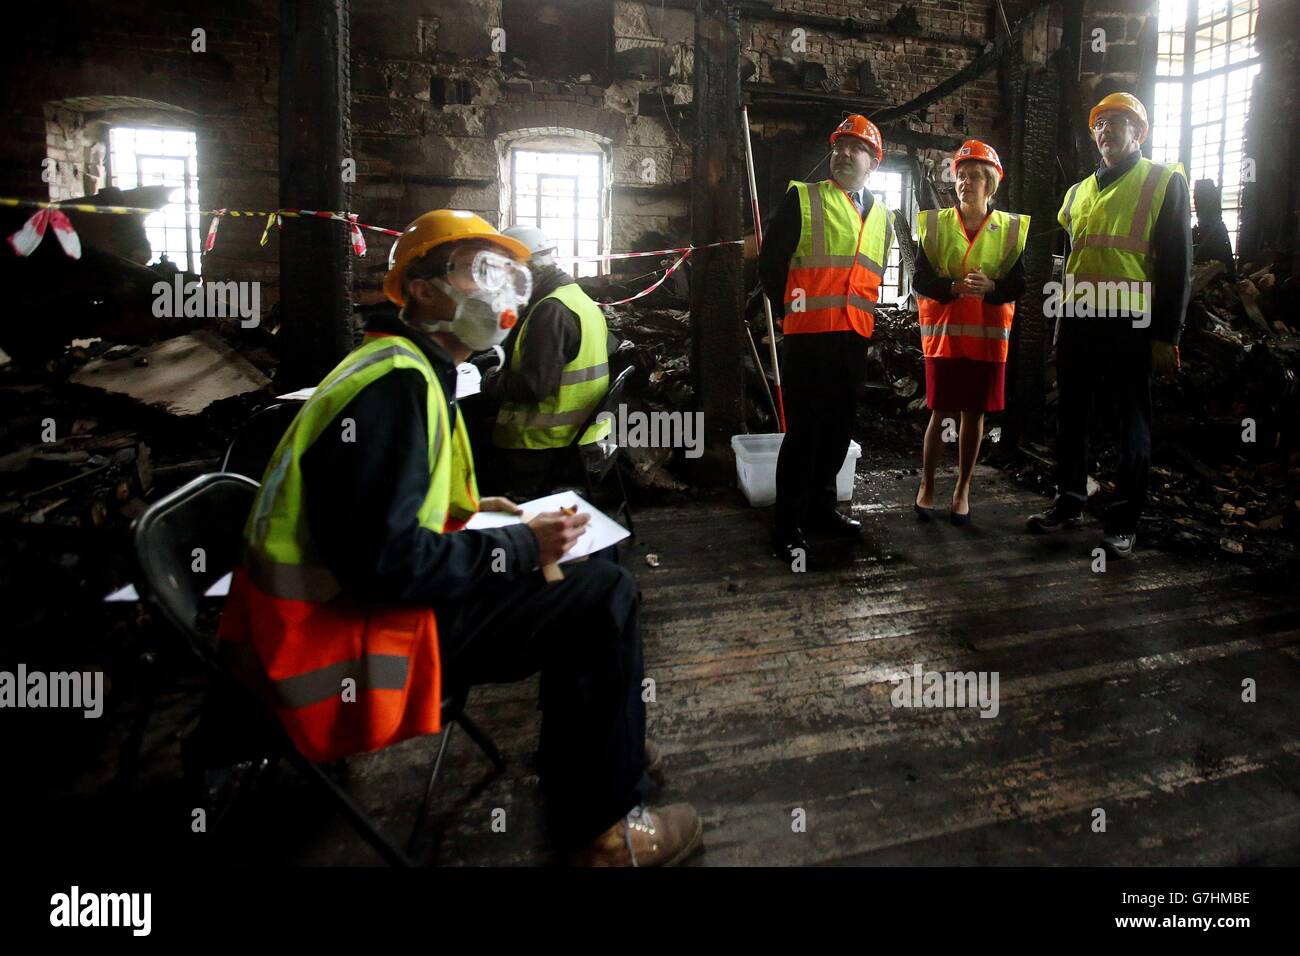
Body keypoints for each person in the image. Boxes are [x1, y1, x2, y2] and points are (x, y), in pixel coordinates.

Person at [217, 209, 702, 866]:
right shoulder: (394, 389)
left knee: (586, 592)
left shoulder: (398, 366)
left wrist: (477, 519)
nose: (498, 289)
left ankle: (593, 749)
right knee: (604, 596)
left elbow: (384, 524)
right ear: (419, 288)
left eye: (504, 272)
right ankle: (607, 830)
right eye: (478, 271)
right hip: (341, 644)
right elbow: (389, 564)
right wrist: (522, 546)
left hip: (338, 615)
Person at [1026, 92, 1191, 557]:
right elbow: (1070, 261)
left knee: (1130, 421)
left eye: (1119, 123)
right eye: (1100, 124)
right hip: (1080, 320)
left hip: (1131, 325)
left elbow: (1178, 264)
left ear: (1139, 133)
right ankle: (1070, 499)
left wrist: (1167, 335)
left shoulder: (1162, 182)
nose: (1107, 131)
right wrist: (1060, 322)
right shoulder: (1077, 193)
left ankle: (1123, 520)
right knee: (1071, 415)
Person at [759, 114, 895, 566]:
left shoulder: (881, 216)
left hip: (853, 339)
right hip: (809, 339)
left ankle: (820, 509)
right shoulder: (804, 198)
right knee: (804, 433)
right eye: (839, 146)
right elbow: (772, 264)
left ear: (873, 162)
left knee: (838, 431)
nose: (843, 153)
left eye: (855, 148)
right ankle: (787, 524)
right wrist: (791, 312)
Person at [912, 140, 1028, 525]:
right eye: (960, 175)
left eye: (975, 176)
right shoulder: (935, 225)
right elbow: (921, 280)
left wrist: (992, 288)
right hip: (944, 337)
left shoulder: (1010, 229)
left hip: (986, 341)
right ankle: (927, 485)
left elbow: (1019, 285)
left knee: (973, 415)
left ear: (990, 183)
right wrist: (954, 287)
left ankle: (962, 489)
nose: (966, 182)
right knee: (939, 412)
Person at [479, 224, 611, 499]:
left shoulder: (550, 311)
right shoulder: (575, 298)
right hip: (584, 437)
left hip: (546, 444)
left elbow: (532, 388)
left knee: (469, 447)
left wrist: (488, 378)